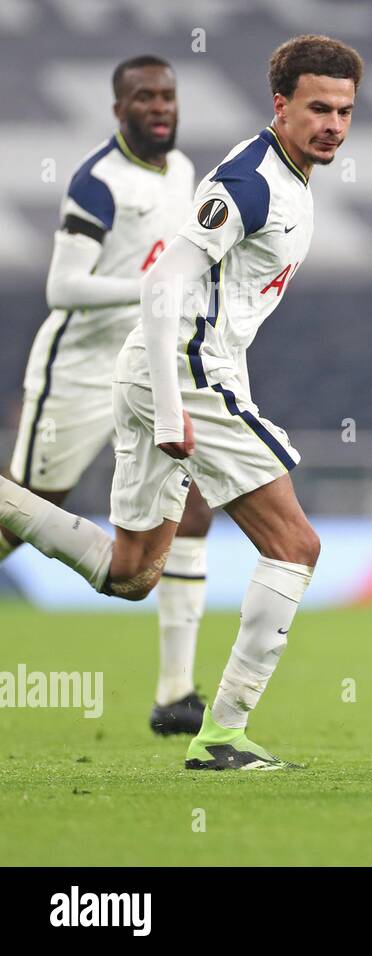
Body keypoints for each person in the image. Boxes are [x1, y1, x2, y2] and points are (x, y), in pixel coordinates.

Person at [0, 35, 364, 771]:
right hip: (189, 371)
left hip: (159, 366)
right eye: (318, 108)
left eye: (345, 111)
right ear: (282, 106)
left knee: (133, 573)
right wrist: (170, 410)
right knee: (296, 546)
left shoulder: (284, 178)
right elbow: (166, 283)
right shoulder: (252, 182)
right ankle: (222, 736)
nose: (333, 124)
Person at [0, 55, 214, 735]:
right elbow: (62, 289)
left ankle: (175, 695)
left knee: (196, 510)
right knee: (22, 518)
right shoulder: (97, 182)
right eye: (145, 97)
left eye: (168, 96)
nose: (161, 107)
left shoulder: (183, 173)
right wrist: (152, 292)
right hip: (81, 370)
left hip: (152, 366)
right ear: (118, 109)